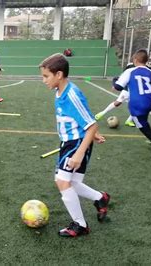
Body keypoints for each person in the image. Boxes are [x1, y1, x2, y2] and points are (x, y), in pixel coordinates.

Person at [39, 53, 110, 237]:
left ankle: (80, 225)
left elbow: (92, 124)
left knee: (62, 181)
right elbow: (85, 118)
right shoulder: (59, 91)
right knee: (73, 183)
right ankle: (100, 198)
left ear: (59, 75)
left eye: (46, 76)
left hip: (75, 143)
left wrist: (79, 152)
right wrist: (94, 134)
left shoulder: (71, 94)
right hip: (69, 141)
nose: (43, 80)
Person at [114, 49, 151, 157]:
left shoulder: (130, 71)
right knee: (144, 120)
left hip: (136, 104)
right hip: (149, 102)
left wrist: (114, 80)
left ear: (135, 59)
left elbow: (118, 87)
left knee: (142, 126)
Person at [94, 63, 136, 127]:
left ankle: (129, 121)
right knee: (117, 103)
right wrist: (115, 85)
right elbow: (115, 78)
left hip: (135, 92)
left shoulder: (139, 72)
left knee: (137, 107)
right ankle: (101, 113)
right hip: (126, 91)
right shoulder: (126, 74)